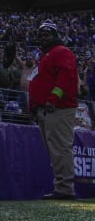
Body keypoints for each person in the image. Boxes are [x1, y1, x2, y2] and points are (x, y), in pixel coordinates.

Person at [29, 19, 79, 200]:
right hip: (45, 109)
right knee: (54, 151)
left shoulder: (62, 52)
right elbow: (37, 82)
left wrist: (53, 98)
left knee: (60, 149)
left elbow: (65, 76)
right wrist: (33, 107)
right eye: (40, 35)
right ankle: (62, 187)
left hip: (58, 108)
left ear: (55, 36)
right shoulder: (45, 56)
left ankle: (65, 189)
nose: (43, 38)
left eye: (47, 34)